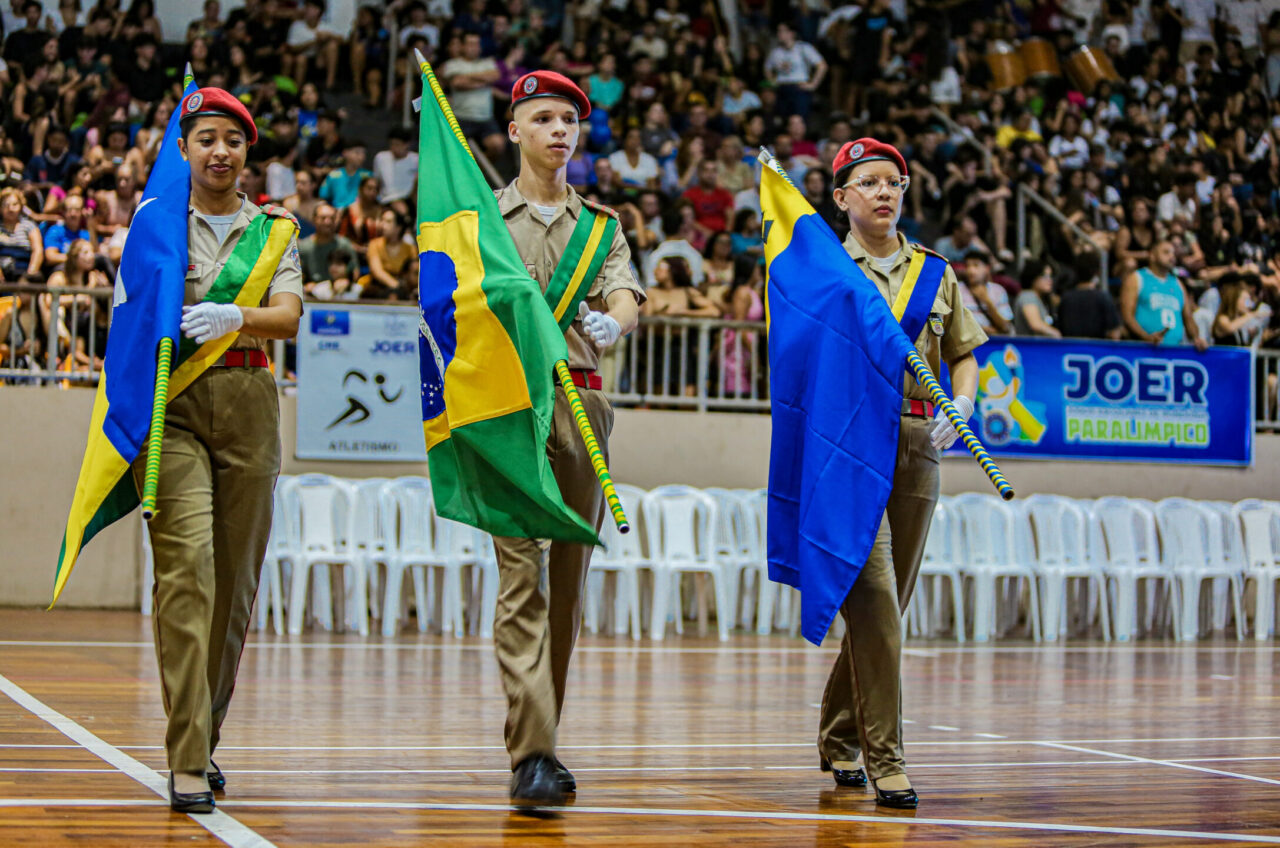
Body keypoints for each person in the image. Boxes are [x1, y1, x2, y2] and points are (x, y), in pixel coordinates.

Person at [140, 87, 302, 814]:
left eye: (233, 141)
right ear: (183, 149)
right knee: (187, 575)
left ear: (247, 154)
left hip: (249, 403)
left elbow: (288, 318)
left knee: (233, 587)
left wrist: (236, 314)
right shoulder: (154, 223)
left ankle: (203, 738)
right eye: (206, 138)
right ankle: (185, 759)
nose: (220, 151)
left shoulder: (275, 231)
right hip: (171, 410)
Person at [819, 138, 986, 809]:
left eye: (895, 181)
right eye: (870, 182)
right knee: (877, 598)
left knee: (891, 604)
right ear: (842, 198)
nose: (885, 191)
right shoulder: (825, 269)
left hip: (920, 439)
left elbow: (964, 353)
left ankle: (839, 734)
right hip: (851, 441)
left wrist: (964, 401)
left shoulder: (935, 272)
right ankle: (885, 757)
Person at [492, 69, 643, 809]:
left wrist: (615, 321)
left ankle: (541, 733)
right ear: (514, 130)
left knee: (566, 582)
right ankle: (534, 753)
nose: (559, 130)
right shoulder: (483, 219)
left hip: (583, 405)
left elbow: (624, 292)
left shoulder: (602, 227)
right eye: (544, 118)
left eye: (569, 121)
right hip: (511, 407)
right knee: (521, 577)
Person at [1120, 238, 1208, 348]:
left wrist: (1196, 338)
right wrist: (1146, 337)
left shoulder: (1178, 284)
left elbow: (1188, 318)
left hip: (1174, 350)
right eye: (1166, 252)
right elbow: (1127, 317)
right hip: (1144, 349)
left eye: (1173, 253)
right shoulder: (1137, 278)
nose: (1172, 257)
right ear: (1152, 256)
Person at [1058, 251, 1123, 339]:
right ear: (1097, 272)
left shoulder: (1066, 298)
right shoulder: (1103, 298)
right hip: (1097, 347)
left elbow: (1060, 329)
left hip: (1070, 346)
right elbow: (1114, 333)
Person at [298, 202, 358, 283]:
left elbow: (355, 271)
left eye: (332, 218)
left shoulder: (344, 244)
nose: (328, 222)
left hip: (340, 288)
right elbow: (299, 275)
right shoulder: (303, 247)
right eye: (323, 218)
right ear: (314, 219)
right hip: (313, 288)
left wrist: (346, 283)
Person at [1013, 261, 1062, 337]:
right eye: (1044, 275)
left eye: (1050, 276)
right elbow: (1035, 324)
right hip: (1029, 344)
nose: (1049, 280)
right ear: (1033, 277)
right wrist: (1057, 334)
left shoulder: (1040, 298)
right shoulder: (1028, 296)